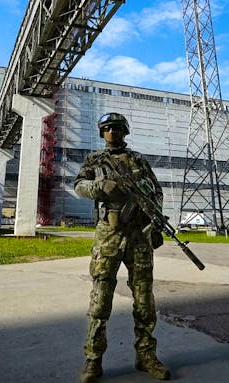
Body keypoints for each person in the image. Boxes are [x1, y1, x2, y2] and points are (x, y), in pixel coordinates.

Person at [74, 112, 171, 383]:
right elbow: (78, 186)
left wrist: (155, 220)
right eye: (106, 128)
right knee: (101, 298)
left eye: (116, 128)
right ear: (101, 132)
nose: (111, 132)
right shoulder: (95, 160)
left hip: (139, 236)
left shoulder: (139, 159)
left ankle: (146, 356)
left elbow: (156, 191)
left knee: (144, 299)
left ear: (125, 131)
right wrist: (98, 187)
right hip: (109, 236)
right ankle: (93, 360)